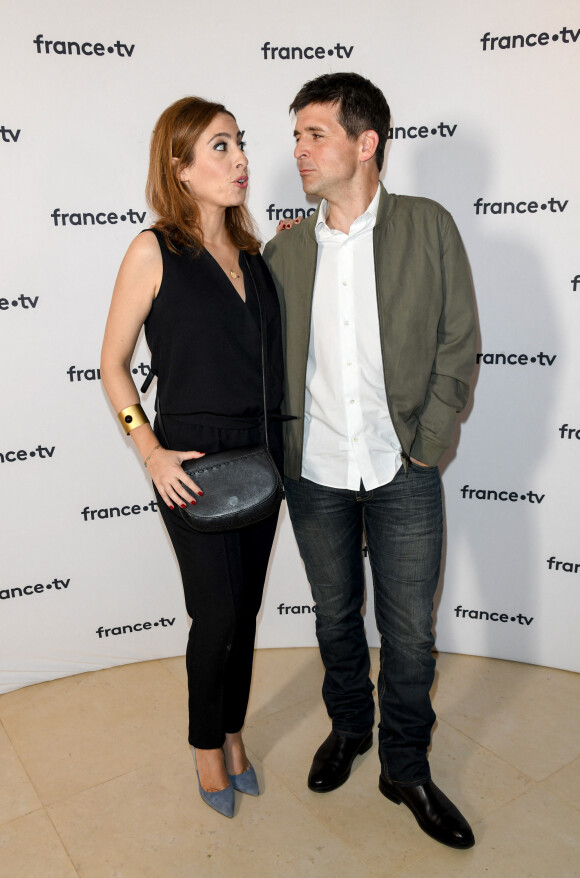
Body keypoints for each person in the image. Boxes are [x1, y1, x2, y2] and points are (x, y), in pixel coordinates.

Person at [263, 73, 477, 848]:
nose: (298, 151)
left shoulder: (429, 226)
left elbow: (459, 342)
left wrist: (426, 446)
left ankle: (406, 765)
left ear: (366, 142)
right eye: (295, 137)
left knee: (411, 636)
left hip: (404, 472)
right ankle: (350, 728)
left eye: (314, 134)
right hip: (313, 473)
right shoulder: (283, 248)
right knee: (332, 617)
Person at [101, 96, 284, 819]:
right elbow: (113, 366)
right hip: (188, 467)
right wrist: (147, 450)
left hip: (262, 461)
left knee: (246, 609)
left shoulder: (256, 258)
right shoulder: (152, 251)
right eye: (219, 147)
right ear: (178, 167)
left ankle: (234, 731)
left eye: (239, 144)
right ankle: (206, 746)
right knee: (214, 615)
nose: (240, 159)